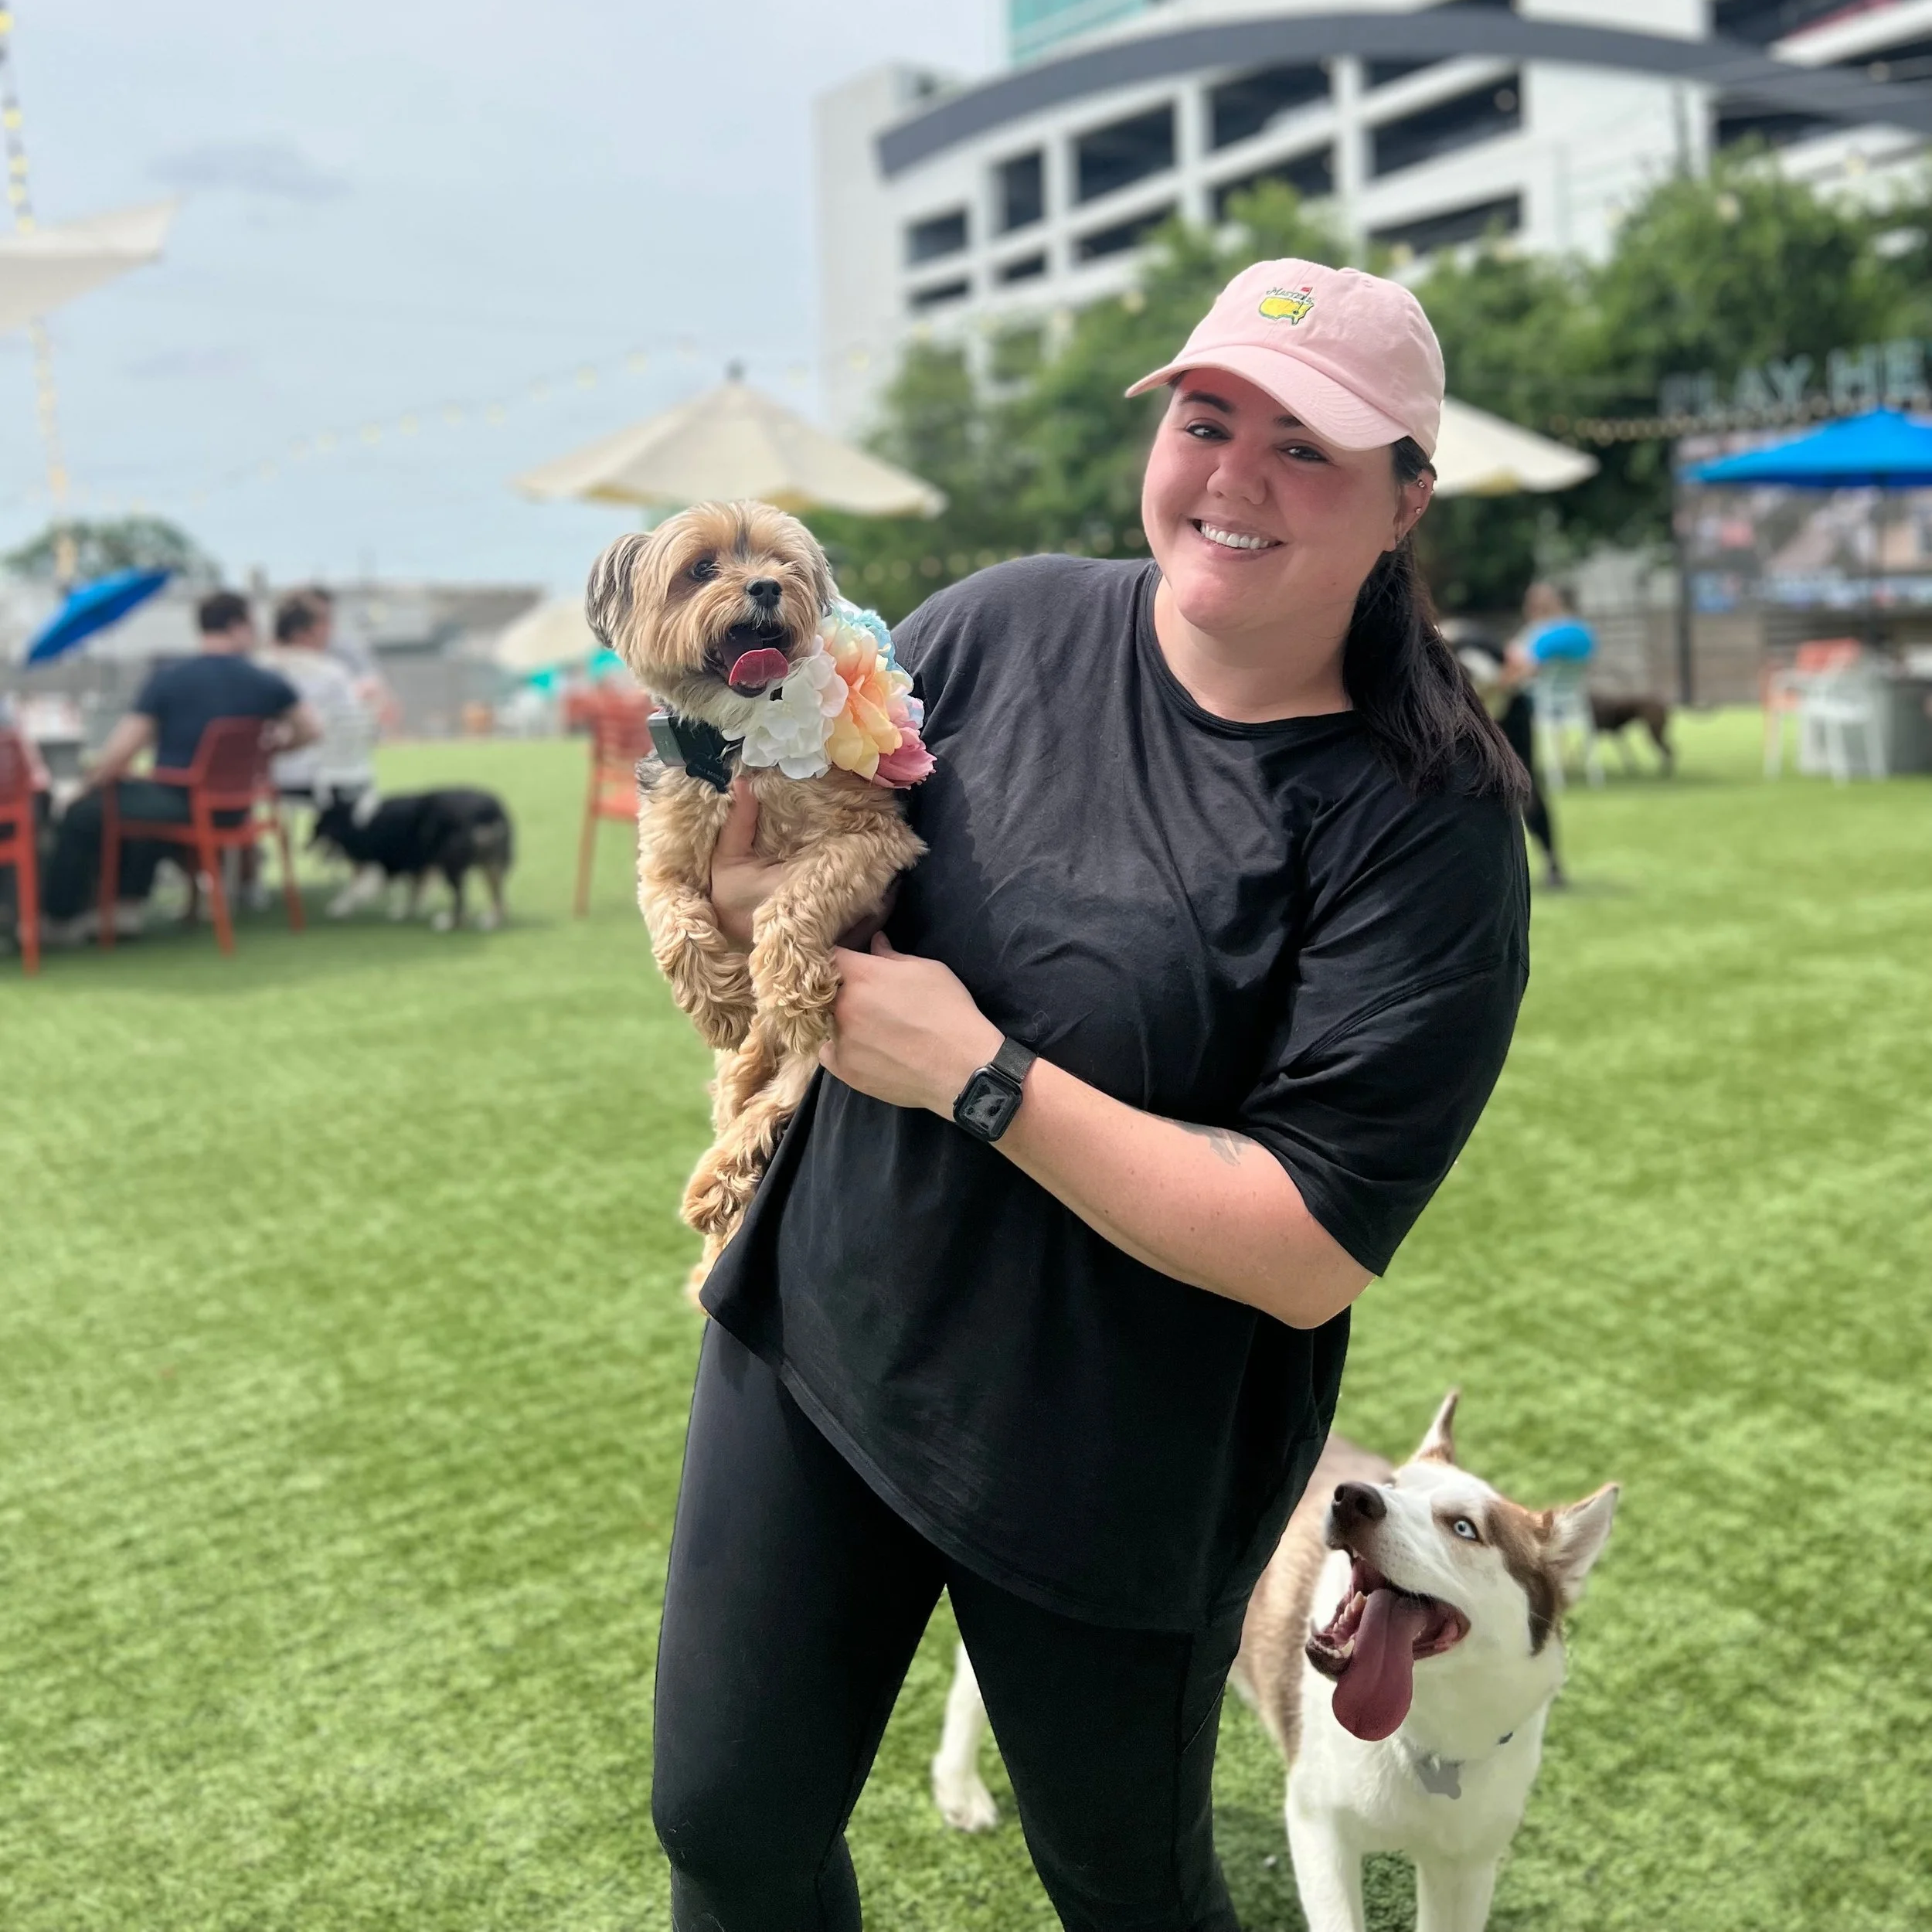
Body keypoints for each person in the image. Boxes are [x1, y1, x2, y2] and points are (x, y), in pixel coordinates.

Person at [650, 259, 1531, 1932]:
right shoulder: (993, 628)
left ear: (1405, 500)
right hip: (824, 1333)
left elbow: (1305, 1243)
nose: (1233, 478)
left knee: (1120, 1883)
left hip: (1114, 1451)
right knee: (726, 1826)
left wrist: (975, 1074)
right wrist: (752, 894)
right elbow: (808, 876)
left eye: (1306, 448)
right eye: (1206, 422)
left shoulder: (1425, 823)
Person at [39, 590, 319, 940]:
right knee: (137, 799)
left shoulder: (170, 679)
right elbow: (311, 730)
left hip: (183, 803)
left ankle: (60, 916)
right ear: (237, 626)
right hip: (238, 807)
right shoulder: (266, 681)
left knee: (91, 808)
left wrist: (87, 784)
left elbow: (120, 752)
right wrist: (267, 753)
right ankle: (125, 905)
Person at [260, 594, 377, 804]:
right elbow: (357, 723)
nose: (329, 634)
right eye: (323, 627)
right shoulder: (332, 673)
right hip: (332, 777)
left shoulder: (256, 669)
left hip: (263, 777)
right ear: (302, 633)